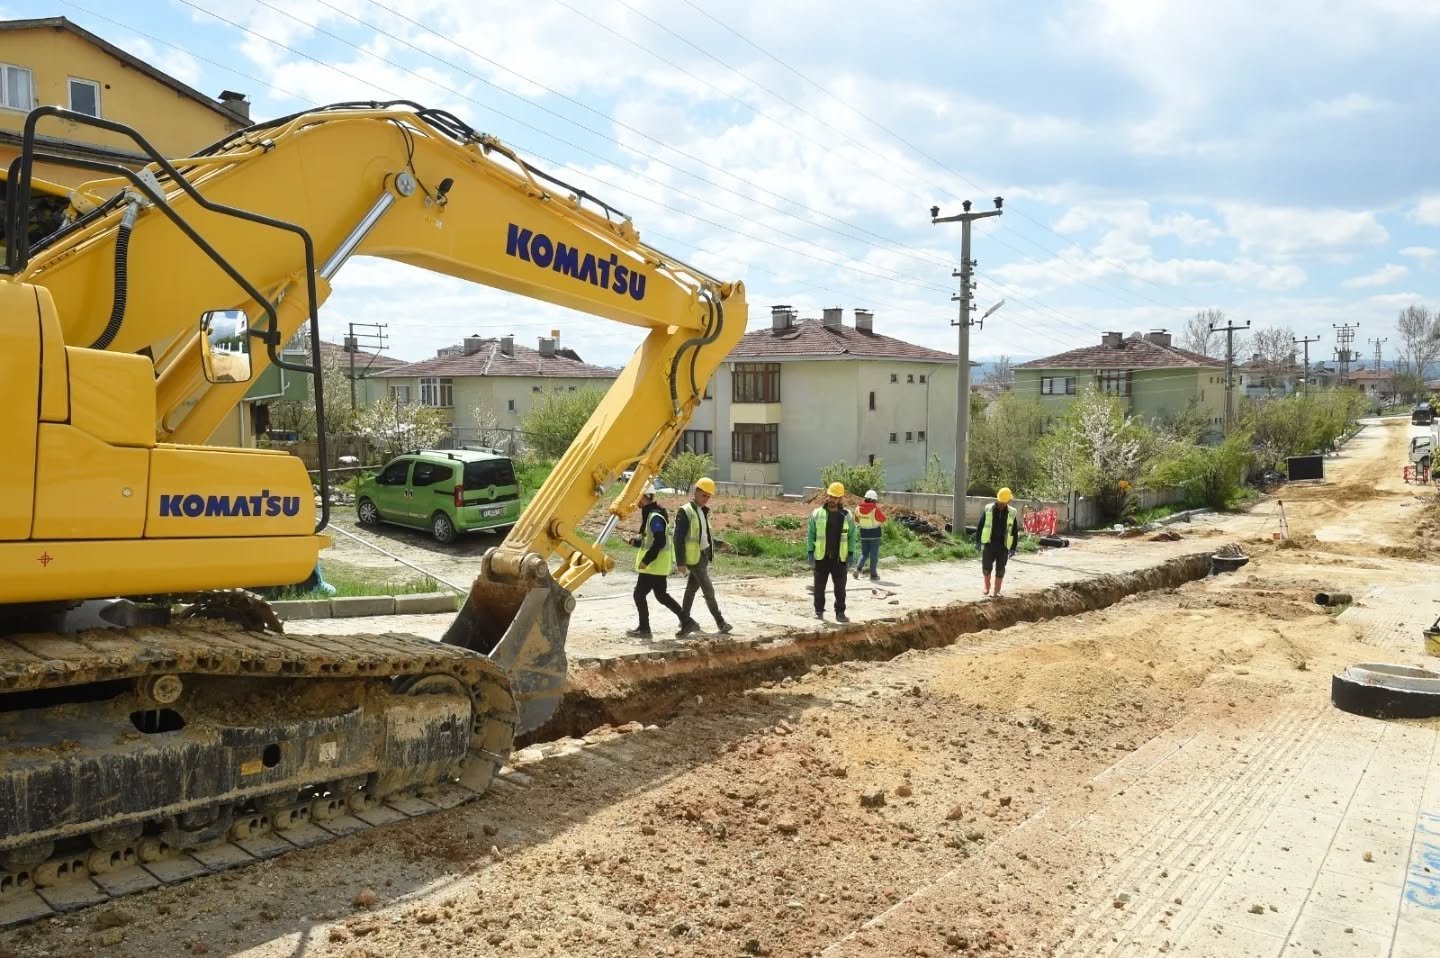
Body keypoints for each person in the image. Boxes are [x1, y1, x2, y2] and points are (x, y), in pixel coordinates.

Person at [673, 476, 733, 637]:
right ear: (696, 492)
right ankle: (720, 622)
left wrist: (720, 544)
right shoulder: (685, 511)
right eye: (703, 495)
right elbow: (678, 538)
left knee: (691, 590)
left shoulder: (702, 511)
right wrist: (680, 562)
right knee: (708, 589)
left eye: (708, 496)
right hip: (695, 558)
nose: (706, 499)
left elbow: (704, 536)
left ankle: (684, 621)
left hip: (703, 556)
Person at [626, 483, 685, 639]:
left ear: (645, 496)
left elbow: (659, 541)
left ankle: (644, 629)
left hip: (653, 565)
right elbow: (652, 539)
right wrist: (637, 542)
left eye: (638, 496)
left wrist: (646, 560)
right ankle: (687, 620)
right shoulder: (652, 514)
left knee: (639, 595)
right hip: (657, 565)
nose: (636, 500)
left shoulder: (654, 516)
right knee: (661, 596)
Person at [806, 481, 859, 622]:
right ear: (827, 496)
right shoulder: (817, 513)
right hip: (821, 557)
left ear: (840, 499)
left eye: (835, 498)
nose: (832, 500)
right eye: (830, 496)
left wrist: (851, 553)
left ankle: (840, 613)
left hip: (839, 558)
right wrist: (810, 552)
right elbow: (811, 533)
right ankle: (818, 611)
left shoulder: (846, 515)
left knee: (840, 589)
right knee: (819, 588)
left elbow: (852, 535)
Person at [975, 486, 1020, 598]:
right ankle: (987, 587)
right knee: (986, 566)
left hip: (1003, 545)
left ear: (1008, 501)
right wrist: (978, 541)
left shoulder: (1012, 512)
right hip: (989, 543)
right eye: (1001, 502)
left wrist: (1013, 547)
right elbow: (980, 525)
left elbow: (1014, 531)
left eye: (1004, 502)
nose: (1002, 504)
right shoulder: (989, 509)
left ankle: (997, 590)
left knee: (1000, 568)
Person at [853, 489, 887, 581]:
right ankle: (873, 574)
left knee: (864, 553)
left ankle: (857, 569)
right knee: (873, 555)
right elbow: (883, 519)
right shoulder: (875, 510)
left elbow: (856, 520)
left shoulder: (857, 509)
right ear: (873, 500)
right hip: (875, 534)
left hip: (864, 533)